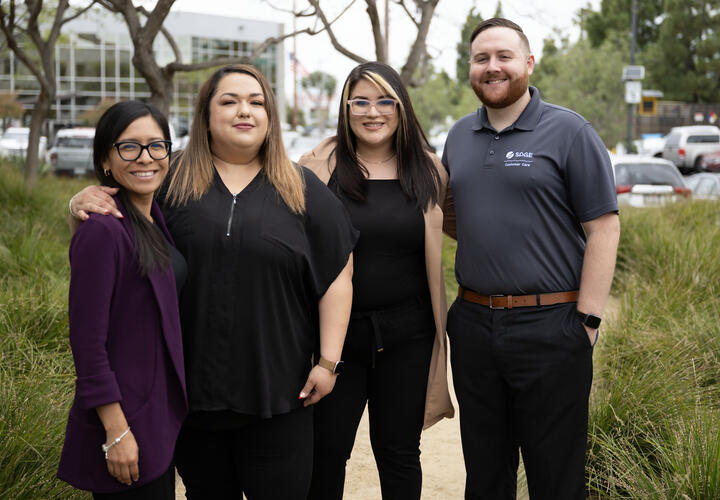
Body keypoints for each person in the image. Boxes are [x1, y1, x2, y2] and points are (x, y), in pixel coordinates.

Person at [68, 64, 357, 499]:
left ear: (270, 115)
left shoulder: (302, 188)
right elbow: (114, 239)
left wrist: (329, 361)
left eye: (256, 102)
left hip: (280, 396)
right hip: (191, 400)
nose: (245, 111)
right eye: (229, 101)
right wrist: (78, 201)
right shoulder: (170, 179)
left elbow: (337, 272)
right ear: (206, 114)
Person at [441, 18, 620, 500]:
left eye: (503, 56)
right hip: (475, 326)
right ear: (471, 68)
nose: (492, 67)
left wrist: (587, 319)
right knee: (485, 473)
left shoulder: (570, 131)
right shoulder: (458, 137)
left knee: (555, 477)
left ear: (528, 63)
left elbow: (603, 226)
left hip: (552, 327)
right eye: (481, 58)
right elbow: (456, 219)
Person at [299, 61, 454, 500]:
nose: (373, 111)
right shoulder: (315, 169)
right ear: (345, 109)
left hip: (409, 334)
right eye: (361, 101)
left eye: (386, 100)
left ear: (402, 107)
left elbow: (476, 222)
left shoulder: (429, 170)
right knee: (326, 452)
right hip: (334, 339)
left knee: (400, 451)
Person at [57, 101, 187, 499]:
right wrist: (116, 431)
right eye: (129, 147)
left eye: (156, 145)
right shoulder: (104, 230)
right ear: (106, 161)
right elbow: (87, 342)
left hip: (155, 418)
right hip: (126, 423)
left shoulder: (150, 216)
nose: (145, 158)